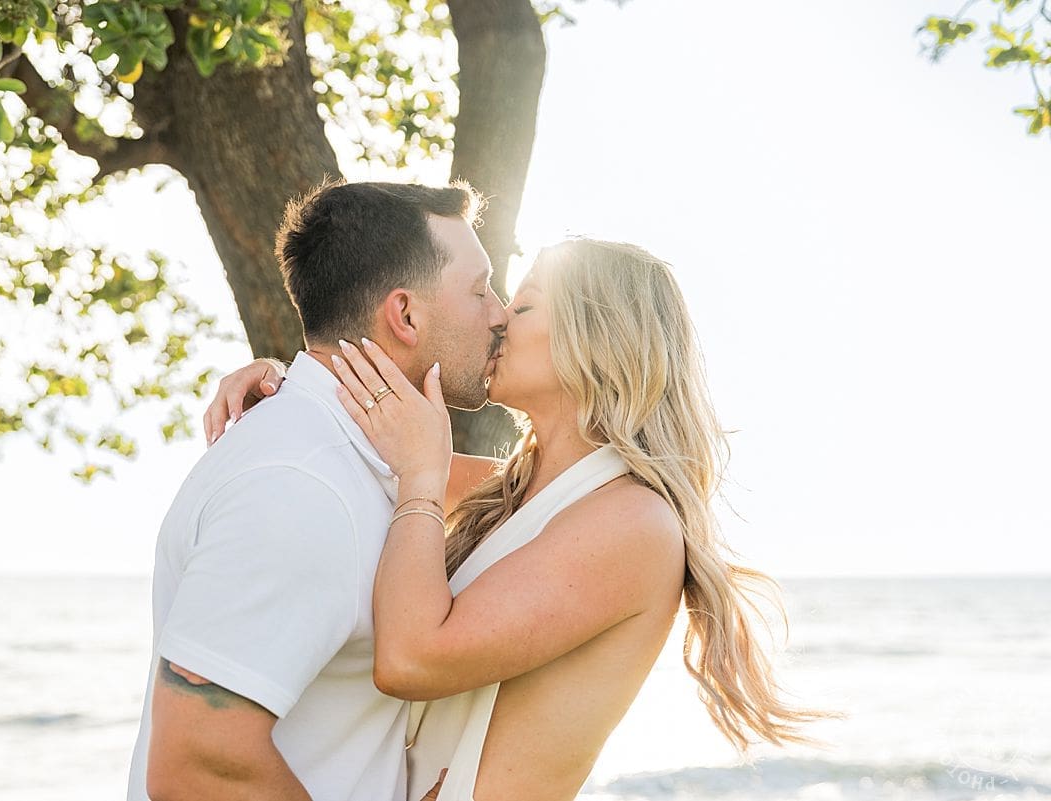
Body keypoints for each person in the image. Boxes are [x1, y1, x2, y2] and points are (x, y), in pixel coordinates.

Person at [207, 238, 841, 800]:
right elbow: (365, 450)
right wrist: (294, 385)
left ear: (598, 338)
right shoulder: (513, 491)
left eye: (527, 305)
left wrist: (422, 480)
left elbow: (412, 660)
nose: (500, 319)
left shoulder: (634, 524)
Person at [126, 179, 505, 801]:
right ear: (405, 315)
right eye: (478, 288)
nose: (498, 312)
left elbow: (530, 496)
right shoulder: (298, 485)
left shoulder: (356, 458)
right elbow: (198, 763)